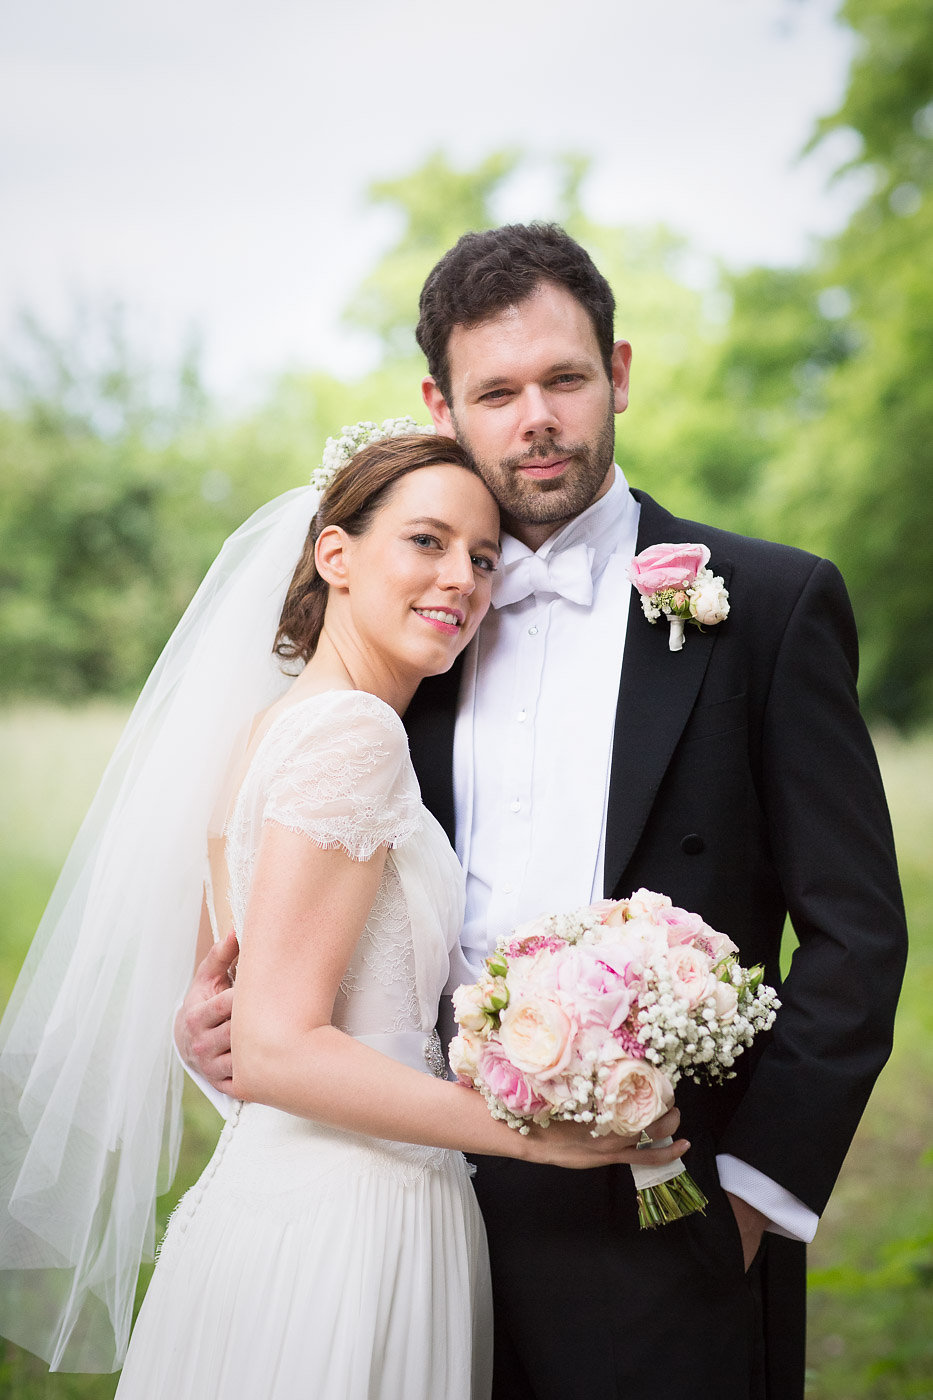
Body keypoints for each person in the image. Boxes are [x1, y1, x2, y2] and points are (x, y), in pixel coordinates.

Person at [181, 224, 908, 1400]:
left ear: (616, 373)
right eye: (496, 391)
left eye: (565, 378)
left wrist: (751, 1195)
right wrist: (220, 1023)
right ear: (441, 403)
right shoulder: (406, 636)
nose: (538, 419)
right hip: (415, 1198)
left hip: (665, 1206)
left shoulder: (771, 605)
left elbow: (857, 933)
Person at [0, 425, 686, 1397]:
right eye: (426, 541)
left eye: (483, 557)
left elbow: (226, 1005)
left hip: (271, 1191)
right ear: (335, 554)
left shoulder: (265, 732)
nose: (460, 578)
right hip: (356, 1216)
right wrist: (534, 1133)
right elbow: (275, 1048)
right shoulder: (354, 734)